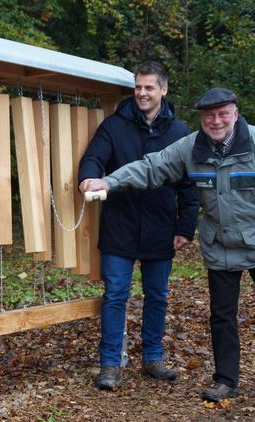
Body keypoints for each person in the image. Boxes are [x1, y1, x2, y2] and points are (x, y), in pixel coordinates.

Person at [80, 87, 255, 403]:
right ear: (201, 118)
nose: (216, 121)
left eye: (222, 114)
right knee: (222, 316)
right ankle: (226, 381)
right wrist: (109, 181)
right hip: (220, 245)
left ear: (235, 114)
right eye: (209, 116)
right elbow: (152, 167)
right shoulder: (190, 148)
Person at [78, 61, 198, 390]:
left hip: (161, 226)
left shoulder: (179, 132)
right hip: (120, 225)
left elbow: (189, 183)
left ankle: (153, 358)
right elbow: (94, 158)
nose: (142, 93)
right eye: (138, 87)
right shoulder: (114, 125)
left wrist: (186, 226)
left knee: (157, 295)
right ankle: (110, 365)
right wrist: (89, 177)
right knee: (116, 295)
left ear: (163, 90)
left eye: (149, 87)